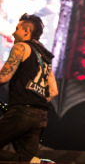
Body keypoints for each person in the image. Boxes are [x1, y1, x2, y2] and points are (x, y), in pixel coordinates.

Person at [0, 13, 58, 162]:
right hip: (40, 115)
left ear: (26, 31)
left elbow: (4, 76)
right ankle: (37, 162)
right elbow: (53, 91)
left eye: (17, 28)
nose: (13, 33)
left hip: (21, 112)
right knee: (24, 159)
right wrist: (35, 100)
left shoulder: (21, 47)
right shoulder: (45, 58)